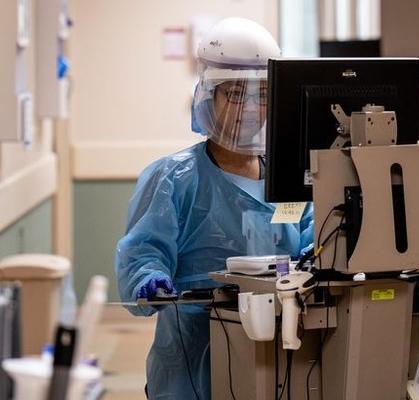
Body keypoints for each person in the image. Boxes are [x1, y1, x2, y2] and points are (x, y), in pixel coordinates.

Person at [115, 17, 313, 400]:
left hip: (282, 348)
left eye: (262, 94)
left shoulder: (291, 177)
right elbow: (142, 254)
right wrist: (148, 280)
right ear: (209, 97)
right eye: (236, 93)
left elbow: (314, 239)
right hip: (194, 362)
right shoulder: (174, 178)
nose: (250, 108)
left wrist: (318, 257)